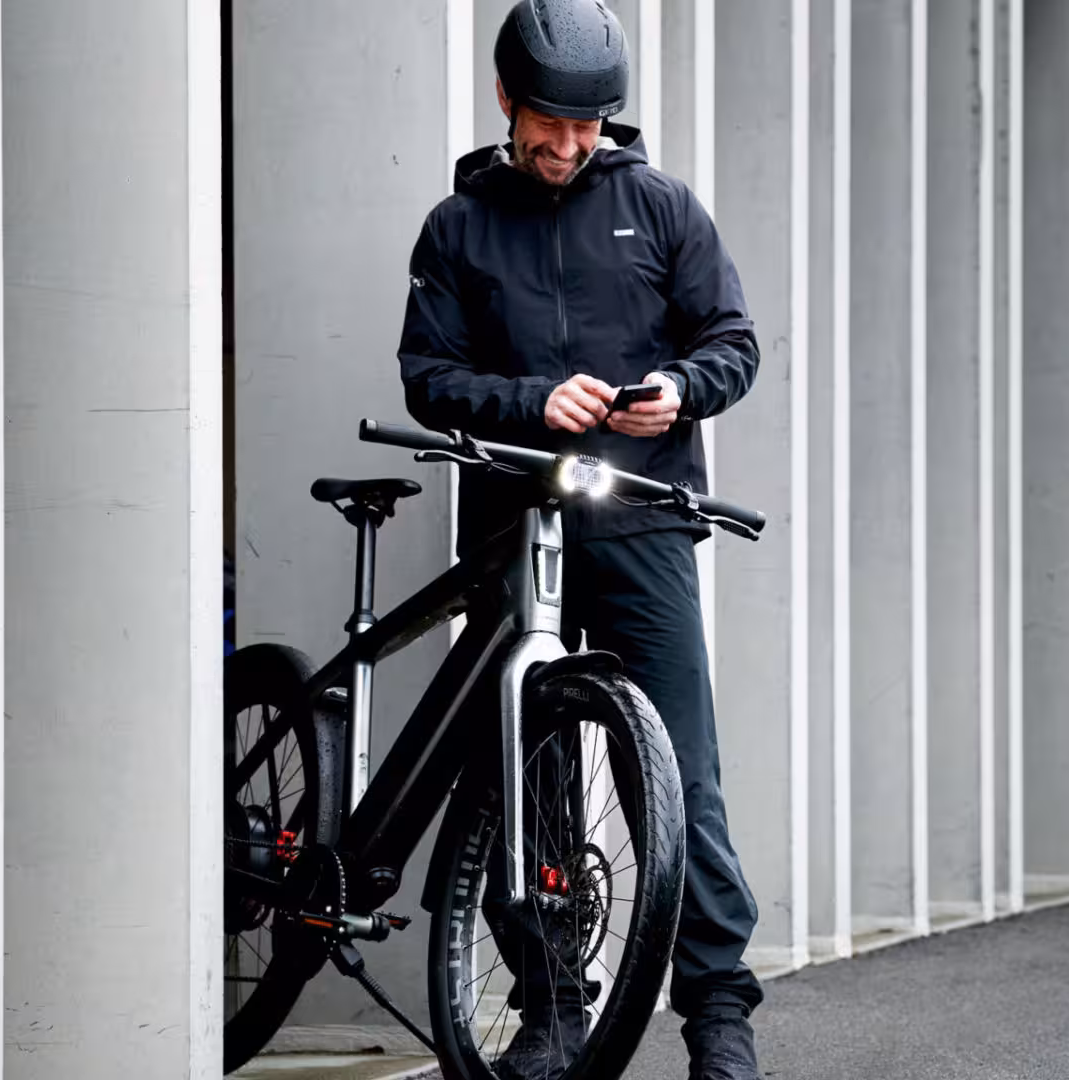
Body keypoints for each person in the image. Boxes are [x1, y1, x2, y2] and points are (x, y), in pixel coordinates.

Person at [397, 3, 764, 1077]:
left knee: (679, 774)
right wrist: (530, 401)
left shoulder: (661, 209)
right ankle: (552, 1006)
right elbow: (427, 377)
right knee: (522, 770)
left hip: (642, 519)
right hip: (513, 524)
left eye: (589, 129)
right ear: (507, 99)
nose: (567, 148)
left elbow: (732, 344)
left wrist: (681, 392)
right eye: (550, 124)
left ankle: (719, 1023)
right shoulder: (456, 228)